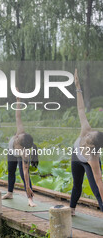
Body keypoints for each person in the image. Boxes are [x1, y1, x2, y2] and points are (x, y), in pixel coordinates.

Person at [70, 69, 103, 214]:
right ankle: (71, 209)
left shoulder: (93, 157)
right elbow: (81, 109)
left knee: (96, 191)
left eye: (90, 137)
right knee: (77, 184)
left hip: (86, 161)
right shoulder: (86, 130)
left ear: (92, 145)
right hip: (76, 157)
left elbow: (99, 182)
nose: (87, 134)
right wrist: (78, 88)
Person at [2, 93, 38, 207]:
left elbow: (26, 173)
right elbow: (18, 116)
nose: (16, 136)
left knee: (23, 175)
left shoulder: (24, 154)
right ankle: (10, 192)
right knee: (11, 170)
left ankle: (30, 199)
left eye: (18, 138)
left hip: (17, 154)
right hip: (11, 152)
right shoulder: (20, 131)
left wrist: (27, 187)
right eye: (18, 136)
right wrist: (18, 100)